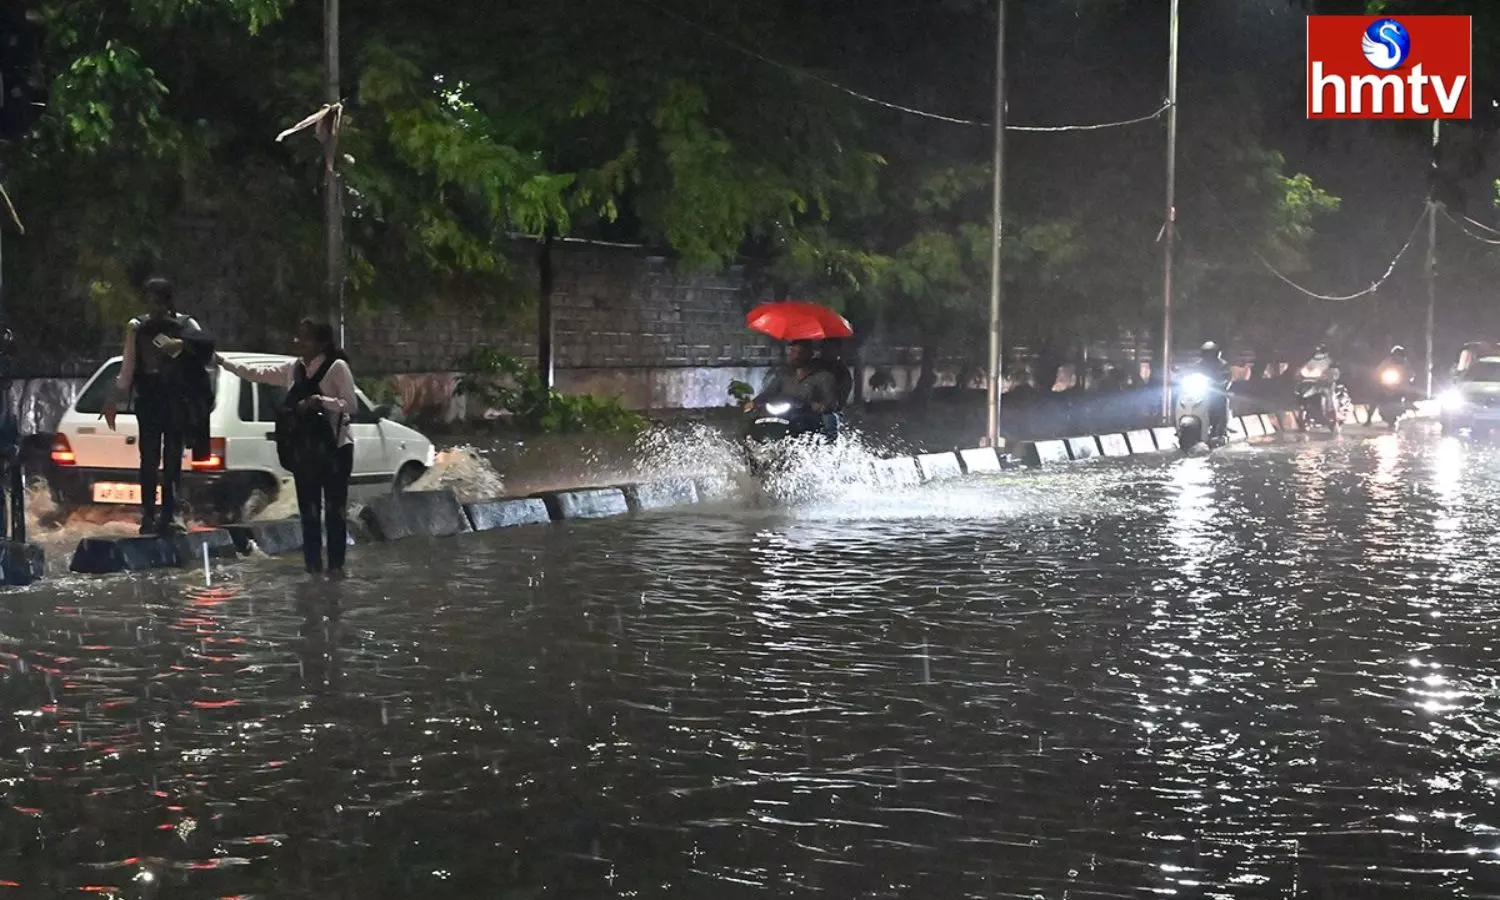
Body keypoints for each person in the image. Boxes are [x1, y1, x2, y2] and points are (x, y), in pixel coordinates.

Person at [217, 319, 357, 577]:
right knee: (309, 513)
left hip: (336, 449)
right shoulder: (294, 369)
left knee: (335, 512)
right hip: (305, 451)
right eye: (298, 336)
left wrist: (320, 401)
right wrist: (224, 363)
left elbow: (351, 404)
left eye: (305, 338)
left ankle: (336, 569)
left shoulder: (337, 367)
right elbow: (258, 374)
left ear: (321, 343)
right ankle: (313, 569)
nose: (298, 342)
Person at [102, 277, 214, 535]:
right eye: (150, 300)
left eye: (159, 300)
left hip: (176, 399)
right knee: (149, 459)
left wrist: (183, 345)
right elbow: (127, 368)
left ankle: (169, 515)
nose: (154, 306)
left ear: (168, 301)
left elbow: (205, 349)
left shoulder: (186, 325)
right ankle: (149, 516)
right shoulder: (137, 327)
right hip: (149, 399)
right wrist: (112, 399)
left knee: (173, 458)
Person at [750, 341, 838, 439]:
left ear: (810, 354)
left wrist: (818, 405)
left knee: (828, 420)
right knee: (757, 421)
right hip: (785, 412)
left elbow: (830, 401)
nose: (796, 356)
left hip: (808, 415)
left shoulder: (823, 377)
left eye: (801, 352)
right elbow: (770, 391)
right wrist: (754, 402)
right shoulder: (783, 374)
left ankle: (827, 445)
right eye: (793, 351)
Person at [1193, 341, 1232, 439]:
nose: (1209, 355)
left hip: (1216, 392)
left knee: (1221, 401)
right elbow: (1191, 374)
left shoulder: (1223, 365)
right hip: (1201, 392)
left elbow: (1227, 378)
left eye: (1211, 352)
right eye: (1206, 352)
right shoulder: (1198, 365)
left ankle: (1221, 428)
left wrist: (1221, 385)